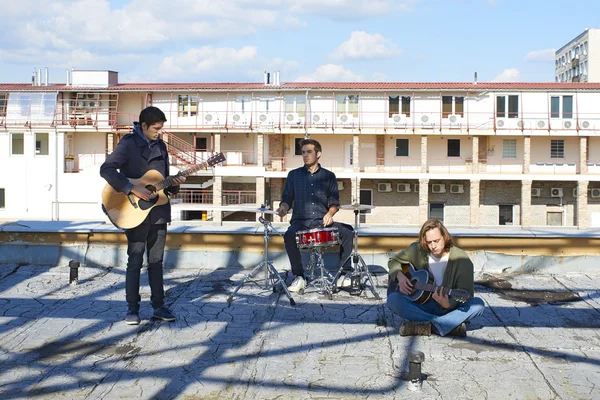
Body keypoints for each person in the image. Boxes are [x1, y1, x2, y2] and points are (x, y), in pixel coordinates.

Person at [100, 106, 185, 325]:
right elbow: (106, 169)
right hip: (133, 211)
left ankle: (159, 307)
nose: (159, 132)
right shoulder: (128, 144)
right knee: (135, 260)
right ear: (143, 126)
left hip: (158, 212)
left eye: (161, 128)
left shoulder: (162, 146)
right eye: (155, 128)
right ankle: (132, 309)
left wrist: (174, 185)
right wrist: (131, 188)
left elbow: (162, 182)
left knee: (156, 262)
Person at [276, 139, 354, 293]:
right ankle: (299, 277)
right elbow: (286, 199)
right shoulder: (293, 175)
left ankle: (343, 274)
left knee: (348, 232)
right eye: (303, 152)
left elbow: (334, 202)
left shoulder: (329, 176)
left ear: (318, 154)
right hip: (300, 221)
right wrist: (282, 208)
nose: (305, 155)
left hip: (321, 221)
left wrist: (330, 213)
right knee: (289, 235)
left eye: (309, 152)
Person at [386, 219, 485, 337]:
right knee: (393, 299)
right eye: (429, 242)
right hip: (421, 305)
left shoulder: (461, 259)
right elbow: (394, 261)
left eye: (437, 241)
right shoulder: (417, 250)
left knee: (478, 305)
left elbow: (466, 293)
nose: (433, 246)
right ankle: (448, 325)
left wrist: (448, 304)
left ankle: (426, 326)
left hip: (448, 308)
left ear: (444, 236)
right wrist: (400, 276)